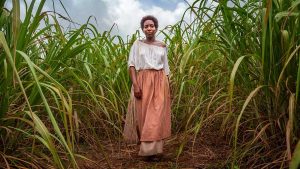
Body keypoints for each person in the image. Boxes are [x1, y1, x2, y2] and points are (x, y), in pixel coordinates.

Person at [123, 15, 171, 160]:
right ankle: (149, 151)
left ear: (156, 27)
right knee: (144, 116)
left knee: (156, 116)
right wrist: (136, 85)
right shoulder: (137, 45)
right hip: (143, 81)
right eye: (146, 26)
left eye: (152, 25)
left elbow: (166, 69)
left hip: (160, 81)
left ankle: (154, 151)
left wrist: (169, 88)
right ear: (143, 29)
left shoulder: (162, 45)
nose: (149, 28)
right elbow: (131, 65)